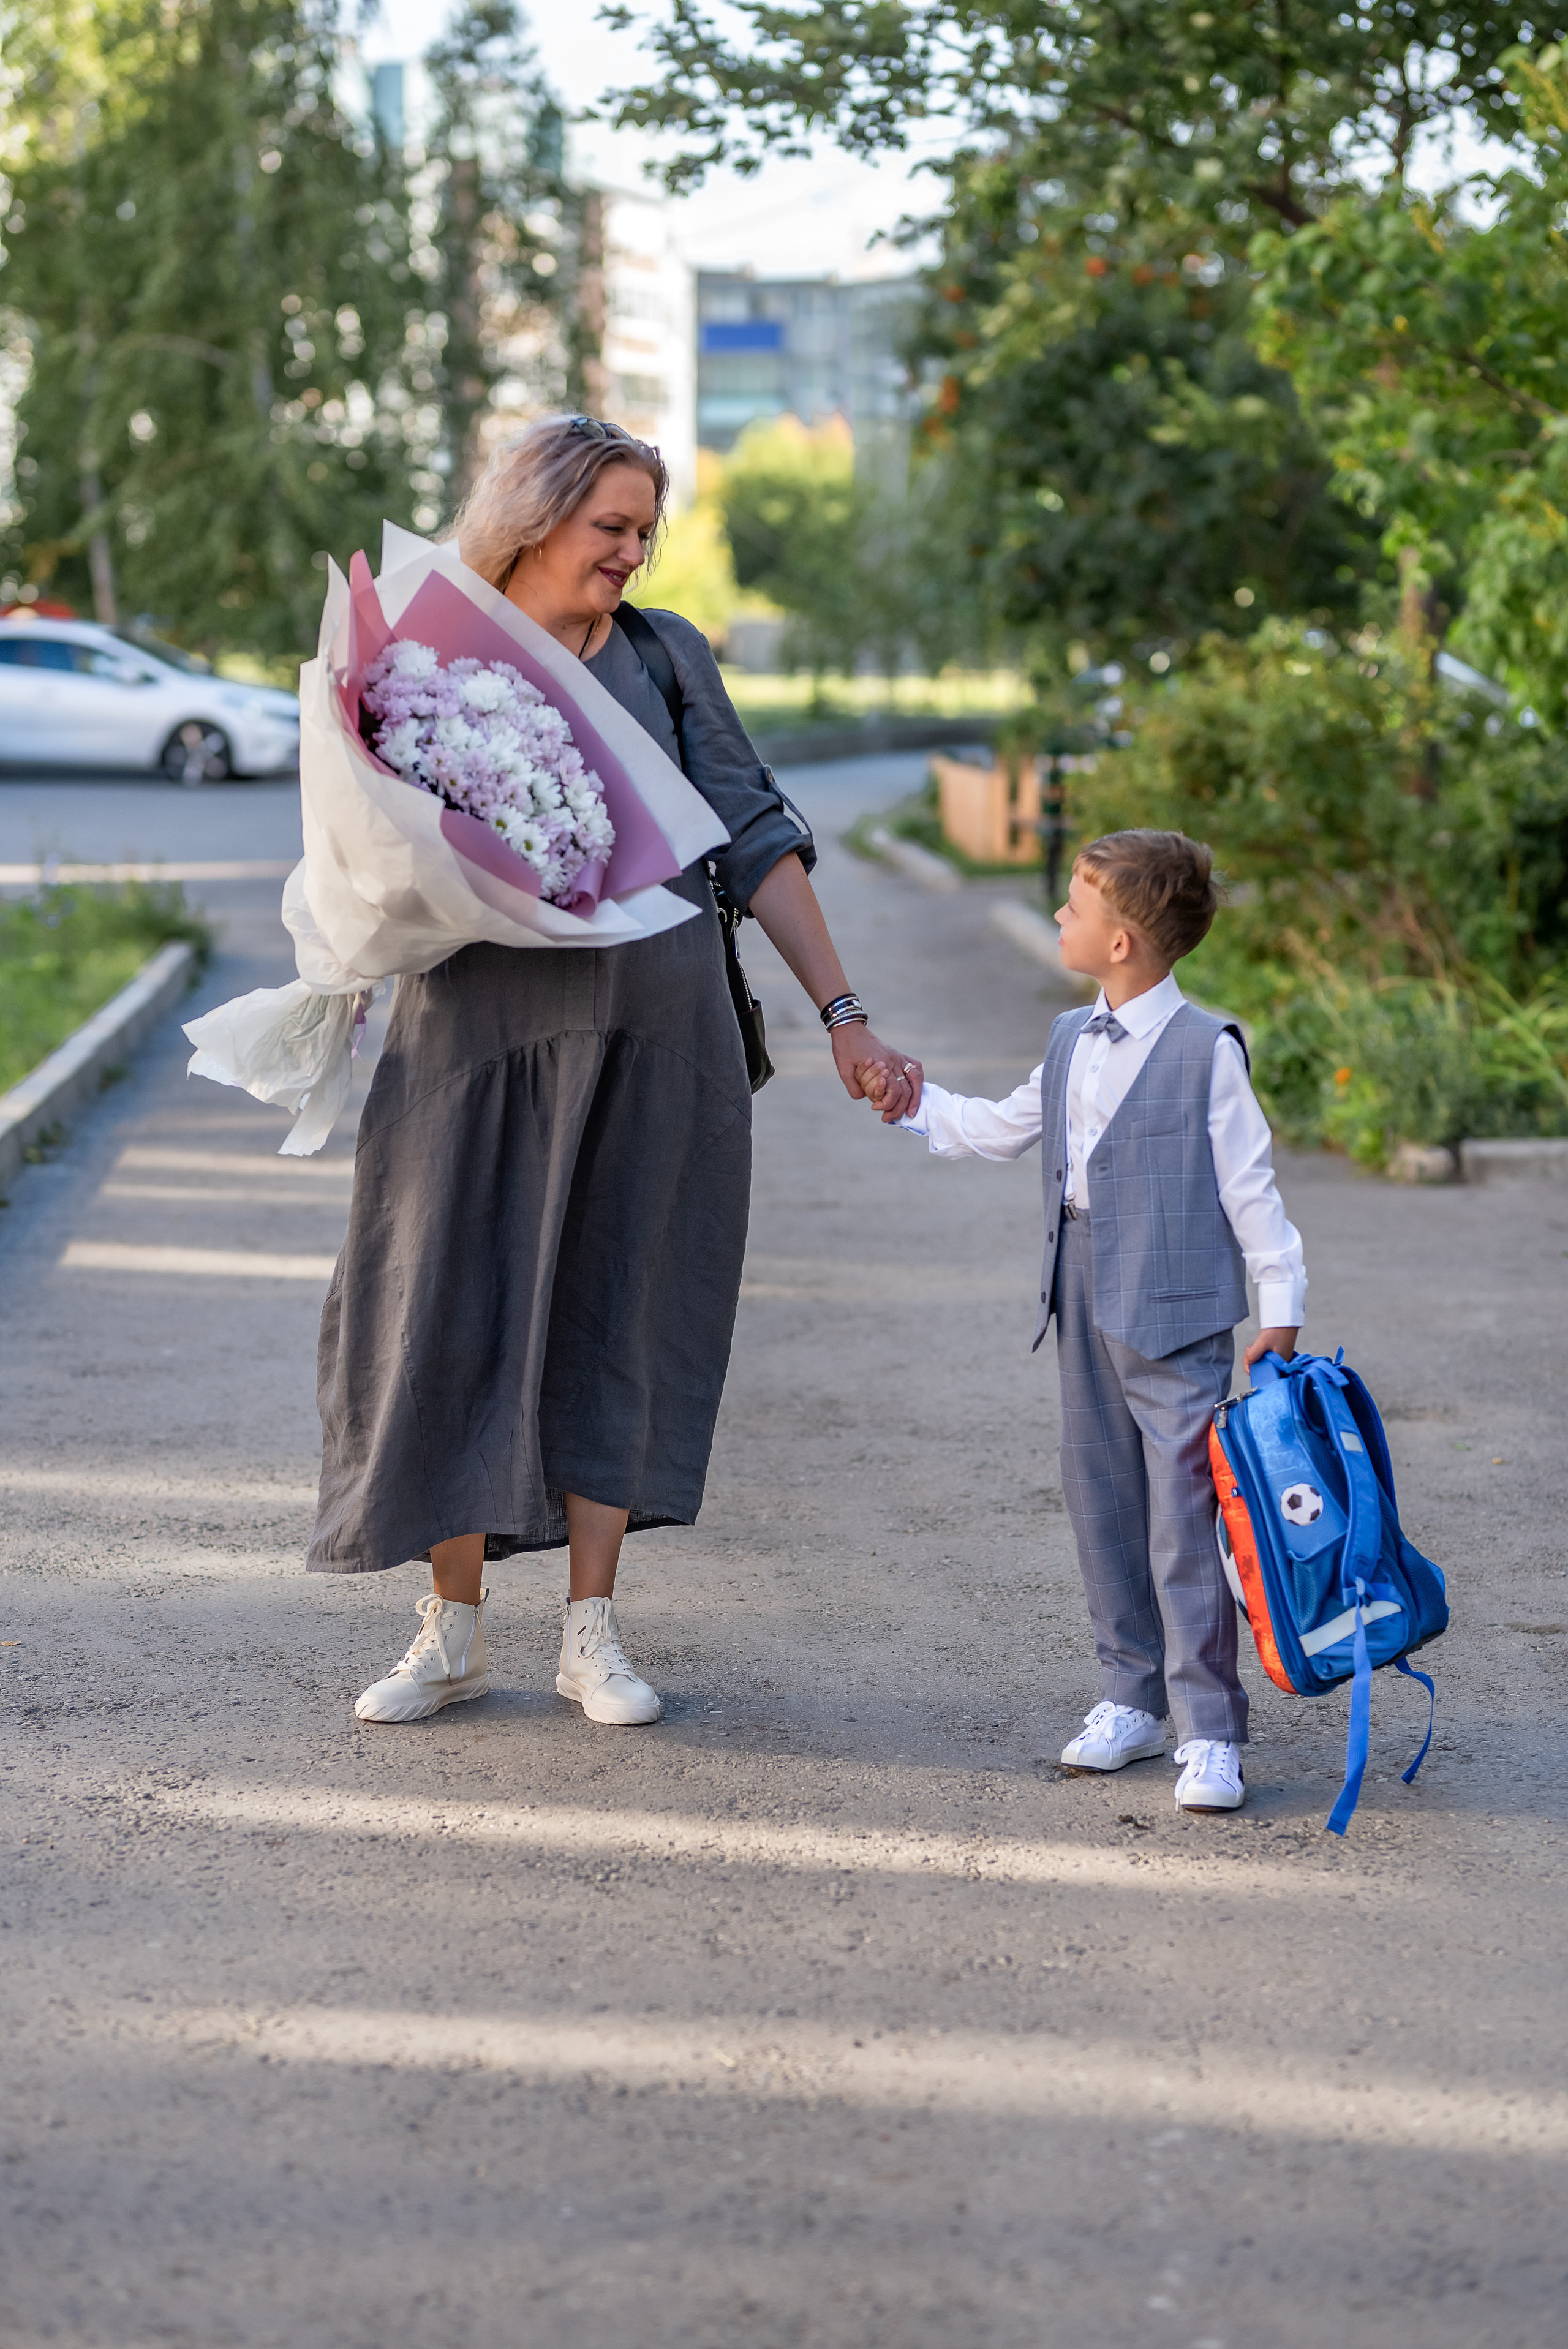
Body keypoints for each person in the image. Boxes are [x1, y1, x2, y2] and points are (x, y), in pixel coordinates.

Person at [313, 414, 924, 1727]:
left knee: (621, 1311)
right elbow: (372, 838)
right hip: (473, 1043)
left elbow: (755, 837)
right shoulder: (423, 651)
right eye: (612, 529)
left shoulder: (665, 654)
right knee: (446, 1304)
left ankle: (590, 1634)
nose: (633, 554)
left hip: (658, 1038)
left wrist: (845, 1015)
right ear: (534, 518)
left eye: (645, 532)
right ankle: (452, 1632)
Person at [875, 829, 1305, 1812]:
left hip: (1180, 1314)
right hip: (1080, 1300)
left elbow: (1252, 1192)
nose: (1062, 915)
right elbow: (1000, 1128)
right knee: (1101, 1501)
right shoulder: (1071, 1038)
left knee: (1185, 1520)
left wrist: (1280, 1305)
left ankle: (1211, 1732)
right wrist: (908, 1104)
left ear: (1123, 942)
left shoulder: (1208, 1051)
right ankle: (1131, 1700)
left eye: (1075, 905)